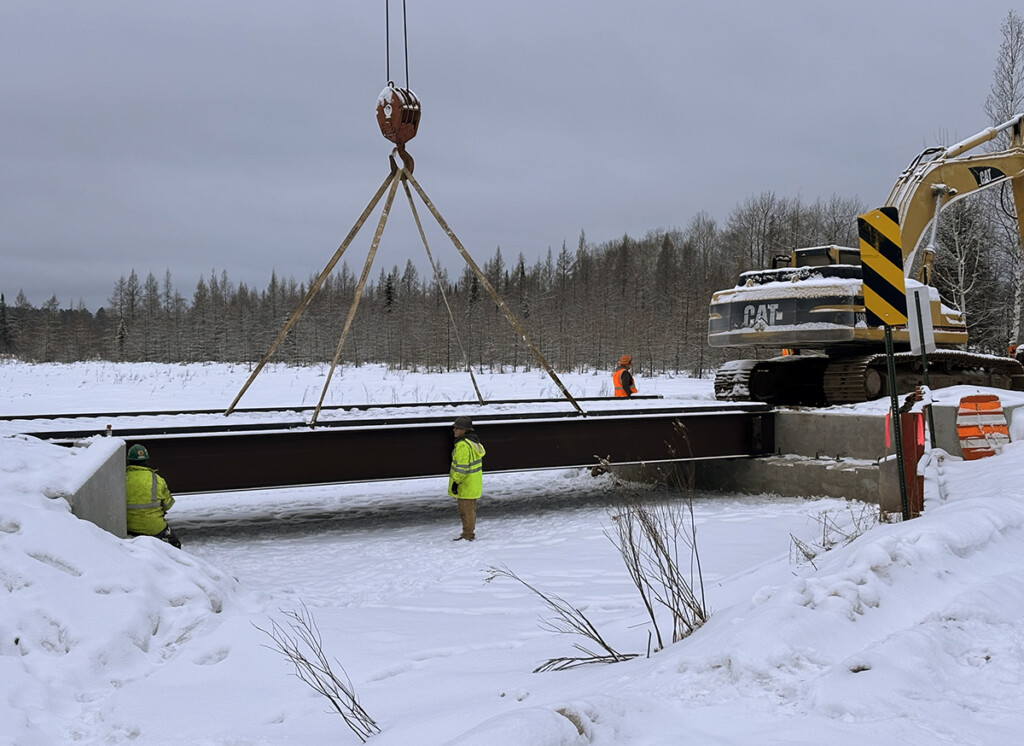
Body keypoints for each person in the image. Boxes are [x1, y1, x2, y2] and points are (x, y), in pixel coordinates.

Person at [125, 443, 182, 548]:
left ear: (129, 460)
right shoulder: (157, 480)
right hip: (154, 528)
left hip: (127, 526)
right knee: (175, 545)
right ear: (146, 460)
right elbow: (168, 505)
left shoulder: (122, 478)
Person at [448, 416, 485, 541]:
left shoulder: (463, 445)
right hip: (472, 484)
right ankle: (468, 533)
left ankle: (468, 535)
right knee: (469, 511)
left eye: (457, 428)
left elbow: (462, 467)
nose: (454, 430)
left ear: (464, 430)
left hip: (465, 484)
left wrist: (456, 482)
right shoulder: (473, 442)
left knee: (466, 512)